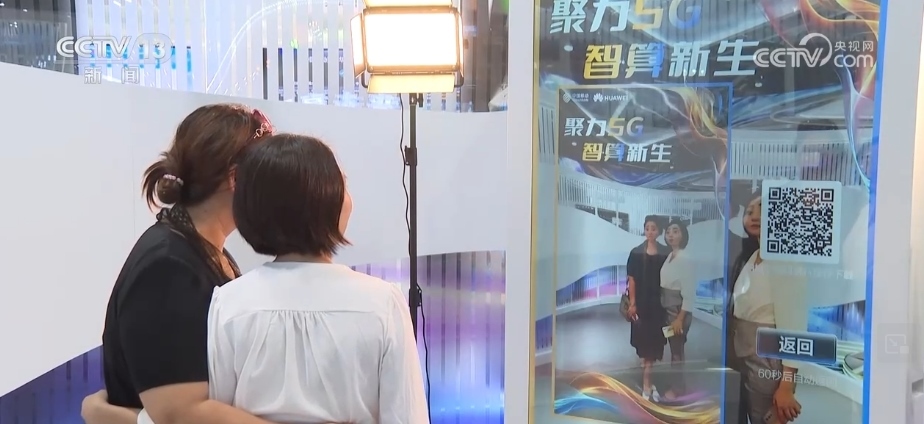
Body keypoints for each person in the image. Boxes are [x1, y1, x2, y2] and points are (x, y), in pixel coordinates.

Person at [209, 133, 428, 422]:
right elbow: (406, 416)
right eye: (343, 185)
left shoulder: (229, 302)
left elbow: (218, 415)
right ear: (326, 200)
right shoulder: (382, 303)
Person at [80, 104, 277, 424]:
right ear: (235, 178)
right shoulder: (168, 266)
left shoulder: (203, 250)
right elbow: (180, 412)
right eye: (269, 172)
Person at [727, 194, 807, 423]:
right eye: (749, 211)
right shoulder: (753, 256)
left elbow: (794, 324)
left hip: (767, 358)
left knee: (766, 417)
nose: (754, 216)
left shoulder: (786, 259)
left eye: (762, 208)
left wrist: (787, 385)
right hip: (743, 352)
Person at [626, 215, 670, 401]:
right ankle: (648, 383)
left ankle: (648, 382)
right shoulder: (636, 252)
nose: (650, 232)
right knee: (644, 346)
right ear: (644, 230)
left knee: (653, 345)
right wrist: (632, 303)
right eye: (647, 228)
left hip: (659, 305)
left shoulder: (665, 252)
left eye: (654, 228)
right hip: (642, 304)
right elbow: (632, 280)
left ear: (659, 231)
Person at [659, 220, 696, 400]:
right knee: (675, 349)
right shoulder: (670, 256)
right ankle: (677, 384)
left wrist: (680, 318)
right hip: (668, 308)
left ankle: (678, 389)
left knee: (677, 351)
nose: (671, 235)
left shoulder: (685, 258)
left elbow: (689, 293)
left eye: (675, 231)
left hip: (677, 310)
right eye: (668, 232)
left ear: (683, 235)